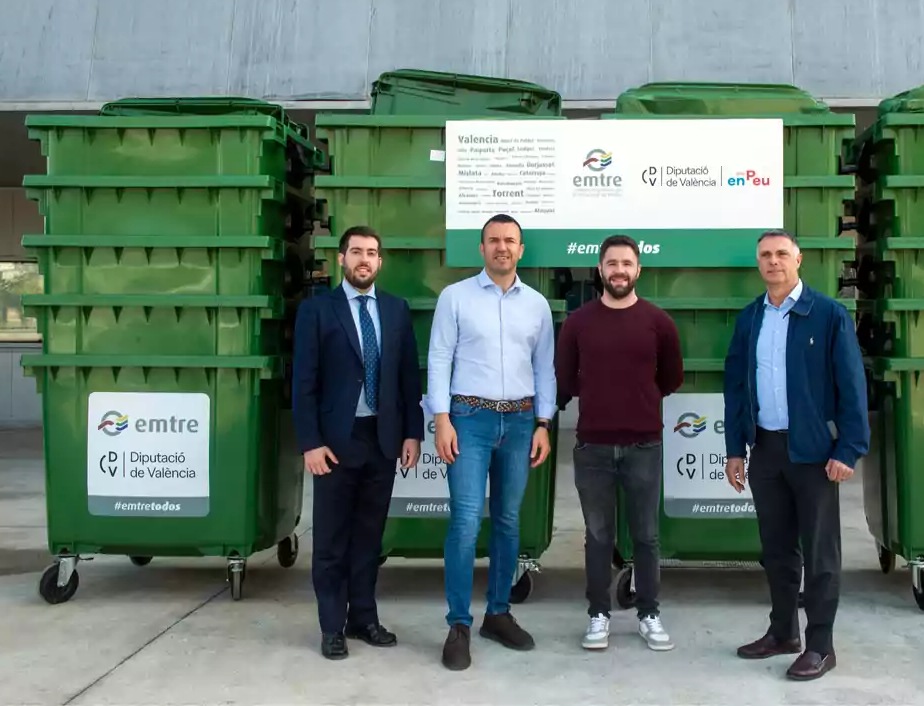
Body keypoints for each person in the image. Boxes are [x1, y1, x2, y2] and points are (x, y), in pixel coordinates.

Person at [721, 228, 868, 682]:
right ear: (758, 263)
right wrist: (734, 449)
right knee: (777, 550)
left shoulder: (827, 315)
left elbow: (852, 386)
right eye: (765, 255)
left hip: (814, 454)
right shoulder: (751, 318)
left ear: (798, 260)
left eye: (782, 253)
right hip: (765, 449)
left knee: (821, 553)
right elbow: (736, 388)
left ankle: (821, 645)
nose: (773, 262)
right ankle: (783, 632)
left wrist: (849, 447)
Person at [427, 213, 556, 672]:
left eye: (510, 241)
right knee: (464, 522)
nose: (502, 247)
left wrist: (544, 422)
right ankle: (459, 624)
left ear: (521, 250)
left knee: (506, 519)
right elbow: (439, 358)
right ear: (481, 249)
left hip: (520, 422)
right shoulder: (455, 298)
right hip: (468, 419)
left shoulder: (537, 305)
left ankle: (497, 614)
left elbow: (545, 368)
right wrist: (440, 419)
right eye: (494, 240)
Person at [291, 225, 424, 660]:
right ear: (341, 260)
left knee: (369, 538)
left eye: (371, 253)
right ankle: (332, 626)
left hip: (381, 440)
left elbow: (408, 378)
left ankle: (363, 618)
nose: (364, 260)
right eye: (356, 252)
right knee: (331, 540)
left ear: (380, 262)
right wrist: (310, 442)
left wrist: (411, 431)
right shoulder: (318, 311)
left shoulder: (396, 310)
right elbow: (304, 383)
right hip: (334, 442)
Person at [555, 234, 683, 652]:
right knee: (597, 535)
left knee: (645, 536)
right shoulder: (578, 323)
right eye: (612, 263)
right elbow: (564, 379)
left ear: (638, 269)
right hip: (592, 446)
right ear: (600, 269)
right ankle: (598, 615)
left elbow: (671, 379)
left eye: (627, 263)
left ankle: (649, 613)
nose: (619, 271)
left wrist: (637, 401)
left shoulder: (658, 322)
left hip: (644, 444)